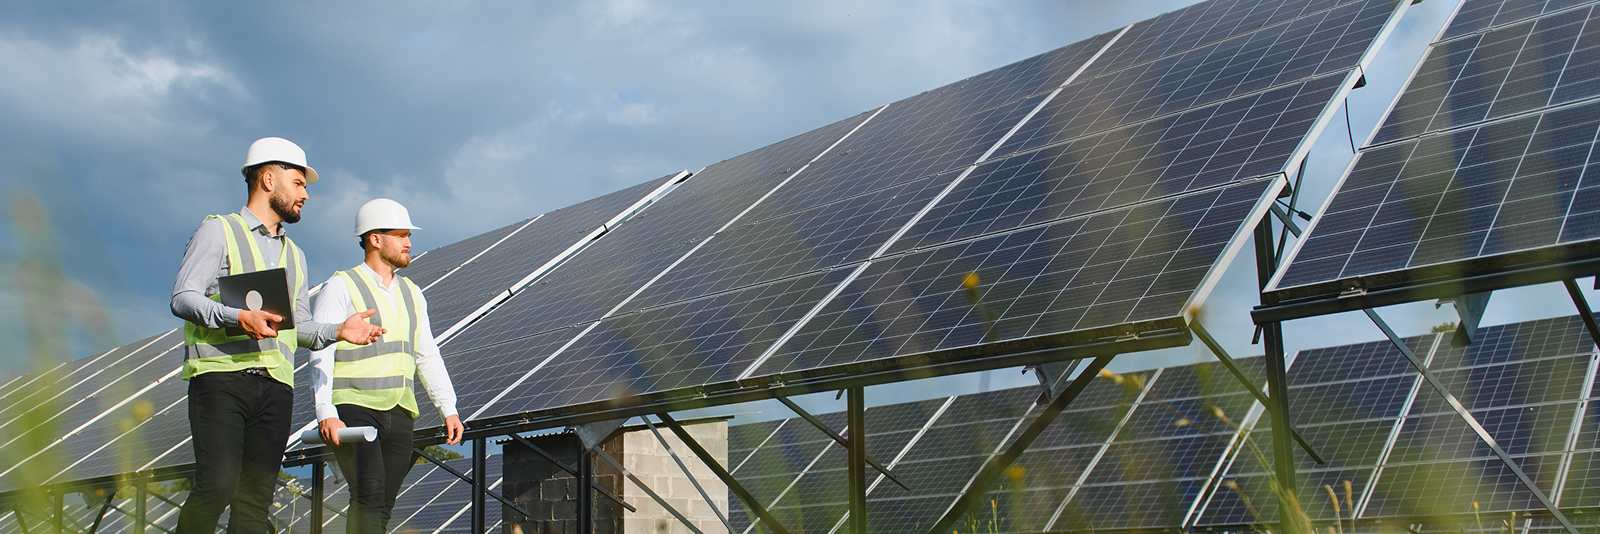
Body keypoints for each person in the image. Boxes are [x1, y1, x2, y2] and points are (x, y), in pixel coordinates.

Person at [171, 137, 386, 534]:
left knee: (255, 501)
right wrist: (238, 317)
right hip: (220, 378)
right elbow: (183, 297)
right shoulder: (219, 231)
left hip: (275, 387)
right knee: (217, 485)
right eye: (299, 183)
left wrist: (338, 330)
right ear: (268, 179)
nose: (305, 194)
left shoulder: (295, 255)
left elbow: (298, 326)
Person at [311, 198, 464, 534]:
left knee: (382, 507)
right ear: (375, 239)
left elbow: (426, 354)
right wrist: (326, 411)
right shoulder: (340, 286)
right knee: (367, 494)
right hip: (354, 408)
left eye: (409, 236)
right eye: (401, 235)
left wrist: (448, 408)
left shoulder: (413, 293)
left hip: (400, 412)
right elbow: (319, 351)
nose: (409, 243)